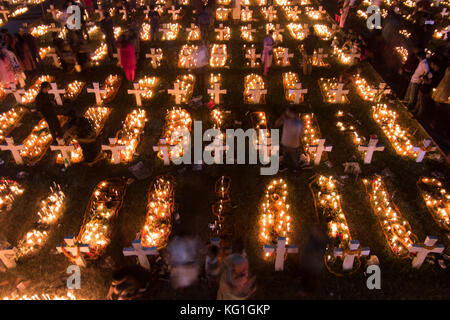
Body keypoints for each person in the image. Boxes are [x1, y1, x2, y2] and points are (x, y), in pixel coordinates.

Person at [296, 224, 328, 296]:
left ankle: (307, 290)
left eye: (316, 230)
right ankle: (304, 286)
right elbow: (307, 247)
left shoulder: (321, 240)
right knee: (306, 274)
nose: (313, 231)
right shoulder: (312, 238)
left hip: (313, 263)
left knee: (311, 276)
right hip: (307, 261)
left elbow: (319, 253)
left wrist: (313, 258)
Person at [275, 107, 304, 172]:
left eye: (288, 112)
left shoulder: (298, 122)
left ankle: (295, 168)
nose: (286, 113)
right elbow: (277, 124)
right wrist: (282, 118)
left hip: (293, 145)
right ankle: (286, 166)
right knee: (286, 156)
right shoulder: (285, 119)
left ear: (293, 114)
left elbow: (301, 132)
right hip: (285, 143)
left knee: (294, 158)